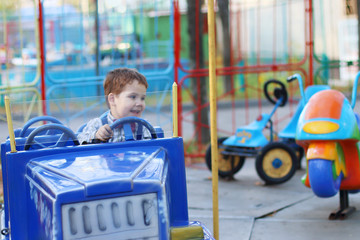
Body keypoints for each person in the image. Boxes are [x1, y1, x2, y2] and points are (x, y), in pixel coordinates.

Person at [77, 67, 148, 144]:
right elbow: (78, 140)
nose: (139, 103)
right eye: (133, 97)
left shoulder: (143, 126)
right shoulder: (97, 124)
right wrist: (96, 135)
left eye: (142, 98)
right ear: (112, 99)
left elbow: (153, 148)